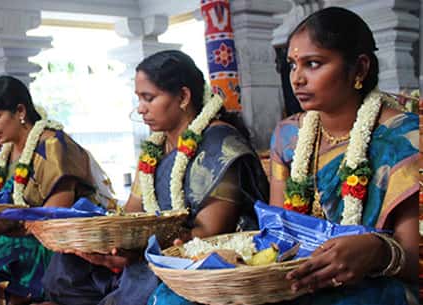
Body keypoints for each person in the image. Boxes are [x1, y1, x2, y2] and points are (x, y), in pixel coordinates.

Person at [41, 50, 270, 305]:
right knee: (65, 265)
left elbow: (209, 233)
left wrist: (139, 254)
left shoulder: (220, 143)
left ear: (183, 96)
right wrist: (109, 247)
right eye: (139, 99)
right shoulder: (155, 148)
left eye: (149, 98)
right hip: (149, 255)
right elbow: (132, 213)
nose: (141, 109)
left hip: (195, 262)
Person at [269, 7, 418, 304]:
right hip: (300, 279)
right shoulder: (288, 136)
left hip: (379, 286)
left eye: (313, 64)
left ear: (360, 69)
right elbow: (277, 232)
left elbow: (415, 259)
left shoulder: (406, 139)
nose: (296, 79)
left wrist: (378, 251)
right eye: (292, 65)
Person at [0, 76, 109, 304]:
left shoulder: (52, 145)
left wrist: (3, 230)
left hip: (47, 240)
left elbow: (56, 213)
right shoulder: (4, 152)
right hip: (8, 231)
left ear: (20, 111)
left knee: (2, 249)